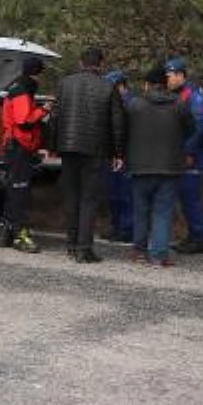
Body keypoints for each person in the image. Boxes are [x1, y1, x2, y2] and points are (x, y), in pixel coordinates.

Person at [51, 47, 126, 263]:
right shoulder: (108, 86)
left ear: (81, 63)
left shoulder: (65, 84)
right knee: (89, 199)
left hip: (67, 148)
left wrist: (52, 145)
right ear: (100, 64)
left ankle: (71, 245)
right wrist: (118, 152)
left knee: (72, 196)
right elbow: (117, 124)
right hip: (95, 150)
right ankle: (84, 248)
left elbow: (55, 116)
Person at [123, 67, 194, 267]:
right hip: (170, 167)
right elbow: (191, 129)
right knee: (163, 211)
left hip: (139, 166)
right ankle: (160, 254)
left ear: (146, 84)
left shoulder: (134, 104)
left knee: (140, 210)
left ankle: (139, 252)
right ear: (166, 84)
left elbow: (123, 130)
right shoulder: (179, 104)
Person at [0, 56, 52, 253]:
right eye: (40, 74)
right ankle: (21, 236)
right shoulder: (21, 91)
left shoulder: (16, 88)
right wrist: (43, 111)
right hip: (20, 147)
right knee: (20, 192)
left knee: (14, 191)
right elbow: (24, 121)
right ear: (35, 73)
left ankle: (5, 233)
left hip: (15, 146)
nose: (40, 80)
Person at [164, 57, 203, 254]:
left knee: (190, 196)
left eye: (170, 76)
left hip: (193, 154)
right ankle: (193, 235)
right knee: (184, 197)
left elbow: (198, 127)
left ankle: (199, 239)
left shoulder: (194, 95)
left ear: (180, 75)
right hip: (180, 152)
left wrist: (188, 152)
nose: (167, 80)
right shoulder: (177, 94)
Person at [101, 69, 134, 243]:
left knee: (126, 194)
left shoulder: (132, 104)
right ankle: (117, 227)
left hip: (128, 155)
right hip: (112, 155)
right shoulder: (112, 103)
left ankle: (127, 229)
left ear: (121, 86)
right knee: (114, 194)